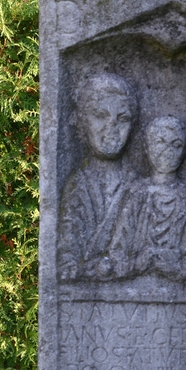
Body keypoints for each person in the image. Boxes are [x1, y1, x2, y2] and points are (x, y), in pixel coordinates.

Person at [58, 73, 138, 280]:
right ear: (83, 121)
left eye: (123, 118)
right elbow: (65, 263)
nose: (112, 127)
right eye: (101, 116)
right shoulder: (75, 188)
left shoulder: (140, 187)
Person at [109, 115, 186, 282]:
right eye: (160, 142)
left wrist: (171, 268)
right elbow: (117, 254)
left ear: (184, 151)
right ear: (147, 147)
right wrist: (138, 263)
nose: (168, 150)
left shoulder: (184, 198)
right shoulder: (137, 194)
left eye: (176, 145)